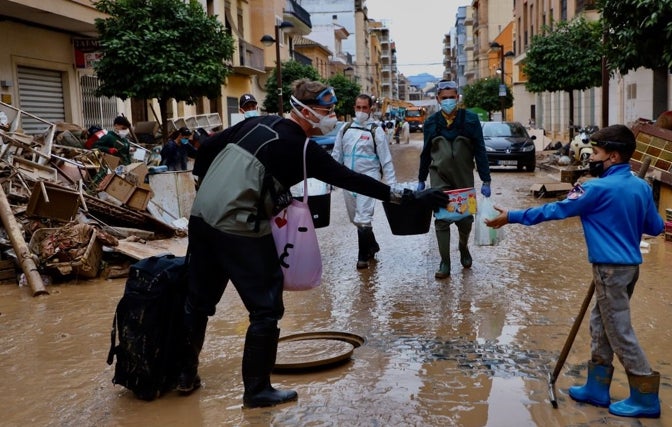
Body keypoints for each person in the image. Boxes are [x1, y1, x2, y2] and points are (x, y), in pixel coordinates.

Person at [178, 78, 447, 408]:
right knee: (266, 306)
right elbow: (350, 179)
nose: (332, 116)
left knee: (198, 301)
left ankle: (184, 376)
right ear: (305, 111)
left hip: (201, 216)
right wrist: (409, 197)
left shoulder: (259, 123)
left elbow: (205, 148)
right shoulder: (304, 149)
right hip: (239, 224)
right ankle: (257, 390)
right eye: (327, 110)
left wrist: (204, 185)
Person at [484, 124, 664, 419]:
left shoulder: (593, 188)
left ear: (614, 156)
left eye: (596, 152)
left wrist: (513, 216)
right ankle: (597, 387)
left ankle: (645, 395)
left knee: (619, 331)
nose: (591, 157)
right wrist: (628, 212)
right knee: (600, 324)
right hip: (629, 269)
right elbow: (655, 227)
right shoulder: (640, 187)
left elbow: (555, 210)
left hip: (609, 270)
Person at [417, 80, 492, 279]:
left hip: (464, 176)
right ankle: (445, 262)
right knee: (441, 220)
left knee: (465, 218)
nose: (448, 101)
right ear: (438, 99)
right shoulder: (431, 122)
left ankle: (463, 247)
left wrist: (486, 179)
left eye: (452, 97)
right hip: (438, 176)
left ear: (457, 98)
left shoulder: (471, 119)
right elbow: (425, 153)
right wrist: (421, 179)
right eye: (444, 98)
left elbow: (480, 150)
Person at [332, 94, 397, 269]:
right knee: (355, 219)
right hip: (348, 180)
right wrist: (328, 179)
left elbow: (386, 160)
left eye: (364, 108)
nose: (361, 111)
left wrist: (393, 187)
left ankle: (362, 257)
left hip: (369, 180)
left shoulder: (376, 131)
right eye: (358, 107)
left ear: (371, 109)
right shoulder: (345, 129)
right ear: (354, 108)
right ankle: (373, 244)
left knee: (363, 218)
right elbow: (336, 156)